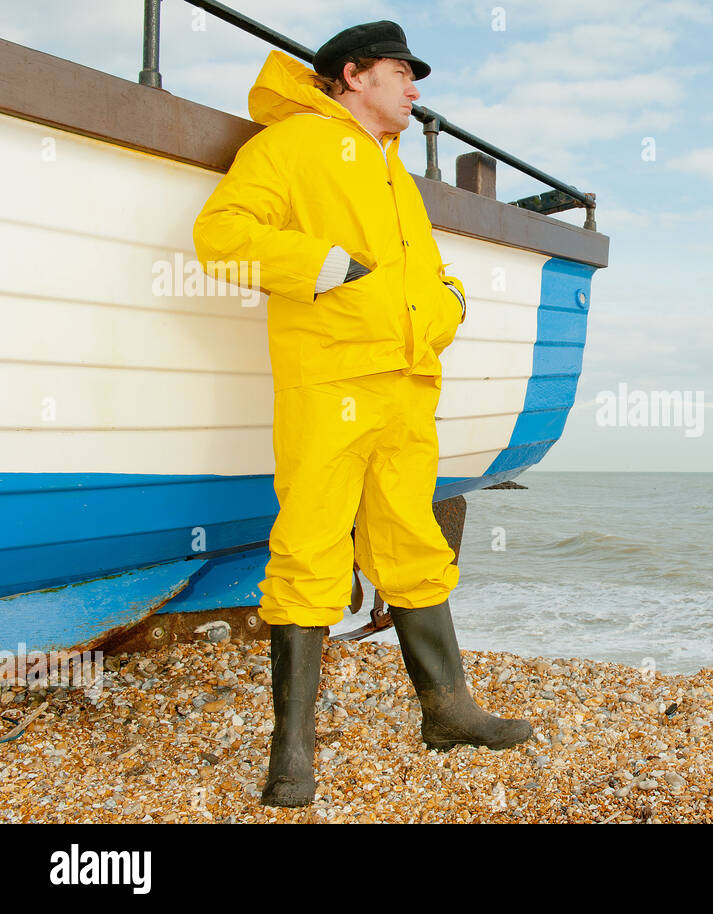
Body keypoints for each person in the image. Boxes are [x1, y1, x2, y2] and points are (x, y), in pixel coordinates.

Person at [192, 20, 532, 809]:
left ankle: (448, 713)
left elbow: (431, 273)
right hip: (330, 382)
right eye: (400, 72)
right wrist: (325, 266)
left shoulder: (394, 175)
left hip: (408, 388)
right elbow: (221, 237)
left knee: (411, 542)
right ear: (353, 75)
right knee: (310, 549)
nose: (415, 89)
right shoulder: (290, 145)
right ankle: (291, 757)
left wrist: (447, 306)